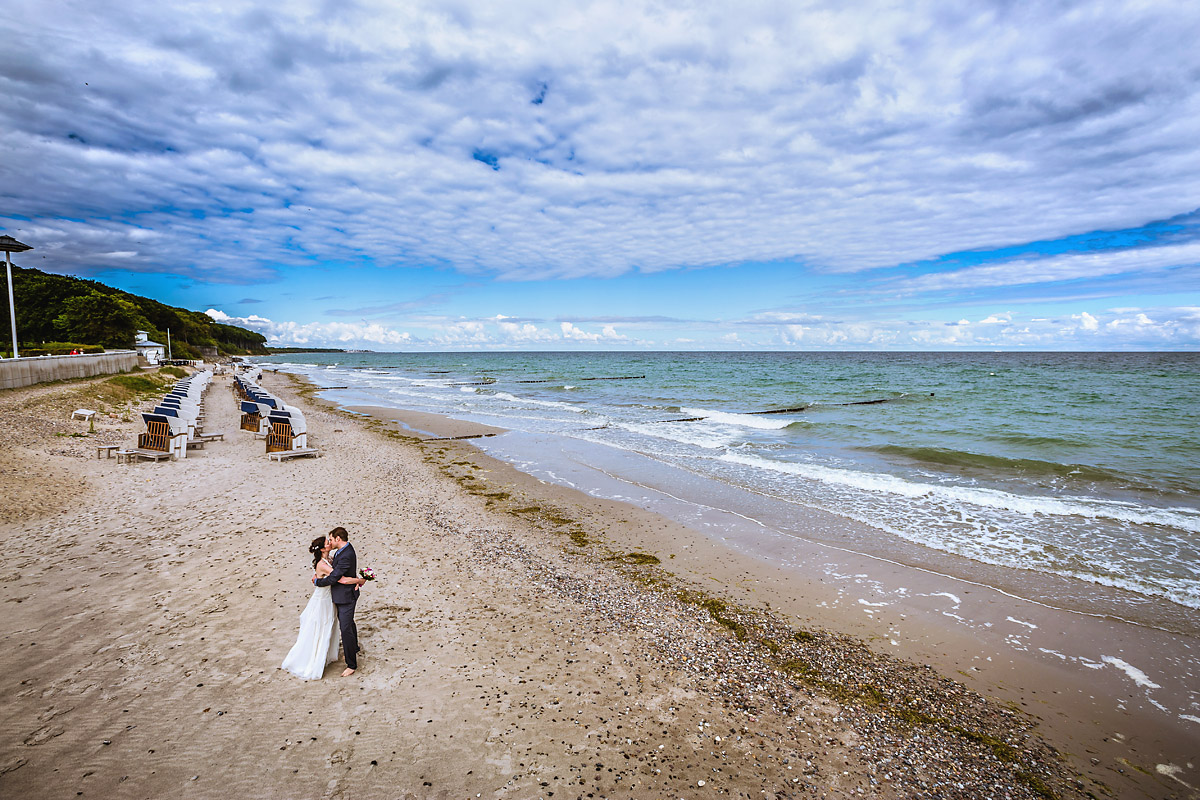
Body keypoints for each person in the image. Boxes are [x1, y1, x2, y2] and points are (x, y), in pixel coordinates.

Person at [280, 533, 364, 680]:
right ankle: (315, 655)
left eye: (330, 540)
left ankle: (351, 649)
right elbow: (341, 579)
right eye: (327, 542)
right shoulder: (322, 564)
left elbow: (343, 571)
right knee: (321, 626)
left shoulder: (330, 558)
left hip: (330, 598)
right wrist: (360, 580)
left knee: (338, 624)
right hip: (323, 599)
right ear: (323, 548)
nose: (329, 543)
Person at [313, 527, 361, 677]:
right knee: (348, 624)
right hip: (341, 595)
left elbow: (335, 578)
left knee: (345, 627)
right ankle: (354, 649)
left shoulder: (345, 554)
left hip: (346, 596)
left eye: (332, 539)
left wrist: (316, 582)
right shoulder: (342, 551)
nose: (331, 542)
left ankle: (351, 664)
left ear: (338, 539)